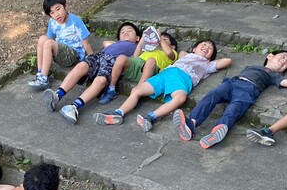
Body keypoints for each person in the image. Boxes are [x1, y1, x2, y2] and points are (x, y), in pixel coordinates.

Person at [173, 50, 287, 149]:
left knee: (234, 110)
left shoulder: (274, 76)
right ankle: (191, 123)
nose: (284, 60)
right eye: (283, 56)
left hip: (248, 90)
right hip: (231, 83)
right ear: (270, 56)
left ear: (284, 70)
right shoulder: (251, 66)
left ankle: (216, 132)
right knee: (211, 96)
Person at [93, 39, 231, 132]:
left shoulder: (208, 65)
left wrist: (209, 60)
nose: (206, 47)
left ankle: (151, 116)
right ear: (194, 48)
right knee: (137, 90)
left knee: (180, 98)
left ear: (211, 56)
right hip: (166, 74)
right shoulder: (185, 55)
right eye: (204, 44)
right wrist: (191, 53)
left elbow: (227, 61)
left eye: (210, 48)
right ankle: (118, 113)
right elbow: (182, 53)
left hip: (182, 79)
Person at [43, 22, 141, 125]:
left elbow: (136, 57)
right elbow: (105, 42)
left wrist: (139, 42)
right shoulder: (116, 44)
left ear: (137, 38)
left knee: (101, 80)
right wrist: (119, 42)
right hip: (99, 55)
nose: (125, 32)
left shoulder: (136, 47)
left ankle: (74, 107)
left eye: (130, 31)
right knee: (81, 66)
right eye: (122, 32)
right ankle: (57, 95)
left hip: (112, 61)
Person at [27, 0, 92, 90]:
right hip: (60, 53)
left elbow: (86, 43)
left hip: (73, 54)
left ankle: (44, 79)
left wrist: (93, 60)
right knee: (42, 39)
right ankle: (40, 73)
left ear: (65, 6)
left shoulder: (75, 21)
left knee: (48, 43)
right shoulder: (53, 22)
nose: (56, 15)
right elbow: (49, 38)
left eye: (58, 9)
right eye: (52, 13)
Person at [97, 28, 178, 105]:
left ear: (172, 46)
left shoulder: (172, 52)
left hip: (150, 70)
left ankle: (137, 92)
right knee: (121, 57)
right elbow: (135, 56)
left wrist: (159, 37)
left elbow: (169, 53)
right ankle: (111, 88)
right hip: (136, 66)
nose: (159, 40)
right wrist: (144, 37)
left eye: (165, 40)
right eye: (159, 38)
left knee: (151, 61)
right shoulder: (150, 49)